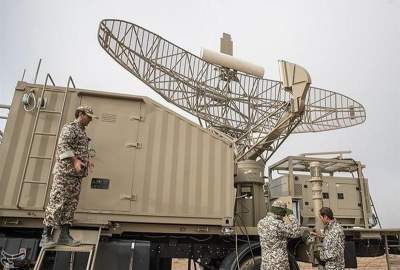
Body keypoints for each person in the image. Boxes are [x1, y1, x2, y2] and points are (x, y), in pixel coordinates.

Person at [40, 105, 97, 248]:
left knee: (70, 205)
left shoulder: (82, 132)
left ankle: (64, 236)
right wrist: (75, 161)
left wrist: (87, 160)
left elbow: (79, 149)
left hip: (75, 176)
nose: (90, 120)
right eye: (88, 117)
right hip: (64, 174)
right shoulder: (70, 128)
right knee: (57, 203)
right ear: (81, 114)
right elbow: (63, 146)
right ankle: (45, 237)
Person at [257, 200, 303, 270]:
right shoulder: (278, 225)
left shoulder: (261, 222)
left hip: (266, 264)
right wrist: (291, 215)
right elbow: (297, 232)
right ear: (281, 213)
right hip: (278, 264)